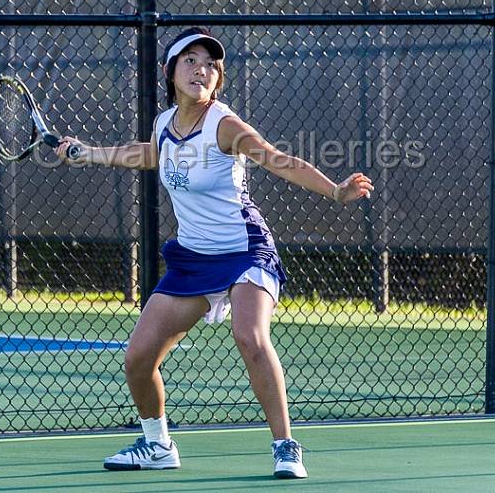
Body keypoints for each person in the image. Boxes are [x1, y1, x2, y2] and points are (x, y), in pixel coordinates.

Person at [57, 27, 373, 479]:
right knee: (139, 358)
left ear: (217, 78)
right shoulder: (165, 125)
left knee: (250, 335)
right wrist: (87, 153)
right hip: (193, 257)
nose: (200, 69)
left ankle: (286, 447)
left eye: (209, 64)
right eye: (189, 61)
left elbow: (276, 158)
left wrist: (335, 191)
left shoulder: (225, 126)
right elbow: (151, 155)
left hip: (245, 250)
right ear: (170, 72)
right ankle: (158, 444)